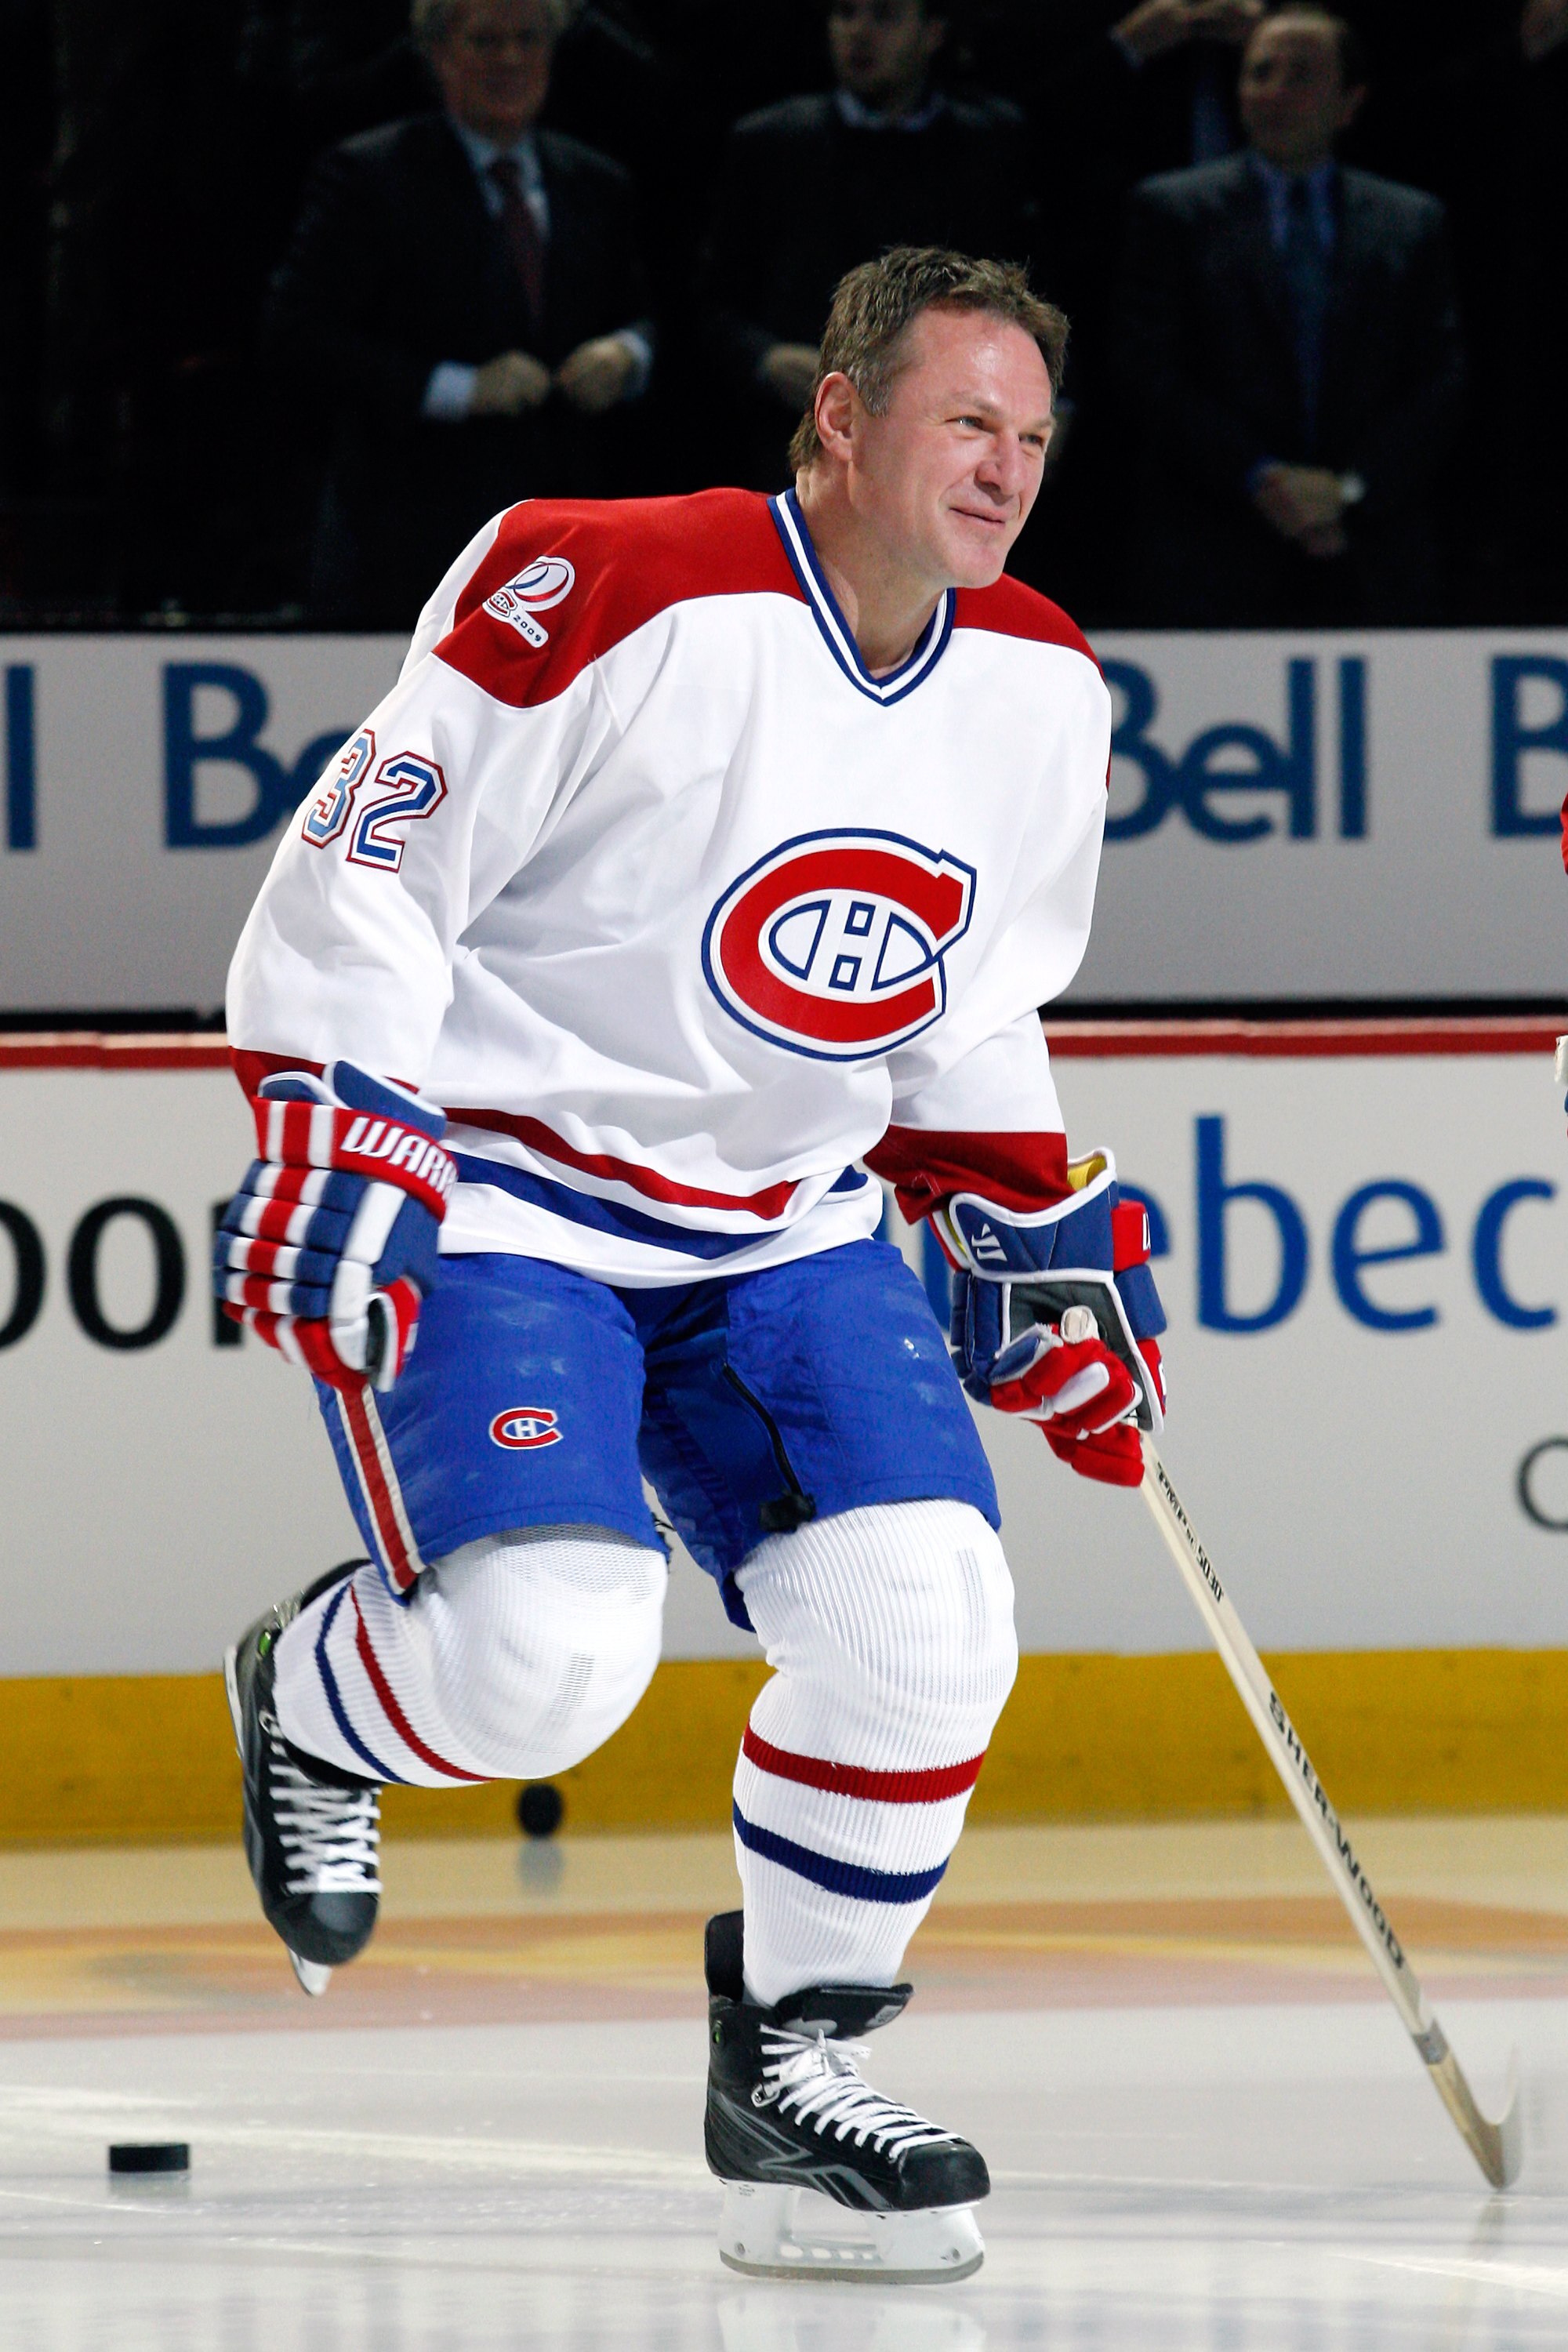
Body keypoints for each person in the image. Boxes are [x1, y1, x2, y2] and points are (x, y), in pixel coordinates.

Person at [215, 245, 1167, 2282]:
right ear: (838, 415)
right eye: (960, 419)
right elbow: (369, 855)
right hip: (507, 1193)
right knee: (548, 1661)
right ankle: (315, 1699)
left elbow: (964, 999)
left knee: (930, 1620)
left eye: (1030, 433)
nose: (1002, 467)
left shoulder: (1040, 682)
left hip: (783, 1225)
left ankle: (800, 2062)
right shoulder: (606, 579)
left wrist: (1014, 1208)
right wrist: (339, 1095)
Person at [265, 0, 654, 624]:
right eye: (485, 42)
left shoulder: (596, 182)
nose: (510, 60)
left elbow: (644, 313)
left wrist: (628, 356)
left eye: (528, 39)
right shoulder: (369, 177)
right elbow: (297, 332)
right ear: (438, 53)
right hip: (406, 547)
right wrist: (456, 388)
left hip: (567, 550)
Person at [1113, 5, 1466, 624]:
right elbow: (1151, 370)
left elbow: (1439, 381)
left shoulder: (1411, 222)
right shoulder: (1171, 212)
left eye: (1300, 75)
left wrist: (1350, 490)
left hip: (1373, 550)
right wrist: (1264, 479)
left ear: (1349, 101)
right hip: (1215, 544)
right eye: (1259, 72)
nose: (1273, 93)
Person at [699, 0, 1038, 488]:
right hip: (793, 444)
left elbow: (1026, 290)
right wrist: (763, 357)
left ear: (933, 32)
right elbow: (713, 299)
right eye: (844, 13)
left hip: (948, 448)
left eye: (885, 16)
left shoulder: (993, 145)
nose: (859, 33)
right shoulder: (771, 143)